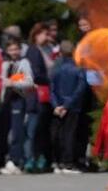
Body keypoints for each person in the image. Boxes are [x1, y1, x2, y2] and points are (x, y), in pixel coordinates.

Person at [0, 37, 33, 175]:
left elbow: (29, 82)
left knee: (16, 131)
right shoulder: (5, 63)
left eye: (16, 49)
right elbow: (1, 81)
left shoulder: (24, 63)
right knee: (1, 130)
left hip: (17, 99)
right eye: (11, 49)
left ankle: (15, 160)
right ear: (7, 50)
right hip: (4, 101)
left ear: (20, 49)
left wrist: (13, 83)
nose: (14, 52)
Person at [51, 40, 88, 173]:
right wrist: (67, 105)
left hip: (58, 106)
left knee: (58, 134)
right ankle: (68, 162)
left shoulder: (56, 69)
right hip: (73, 106)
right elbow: (80, 88)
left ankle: (58, 161)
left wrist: (56, 105)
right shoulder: (79, 69)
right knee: (70, 134)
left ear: (60, 52)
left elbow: (52, 89)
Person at [24, 23, 54, 173]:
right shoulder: (33, 50)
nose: (47, 37)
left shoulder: (47, 50)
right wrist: (50, 78)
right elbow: (35, 73)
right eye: (44, 34)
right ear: (36, 35)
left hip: (45, 94)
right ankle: (31, 158)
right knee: (34, 129)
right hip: (36, 95)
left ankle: (39, 157)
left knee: (42, 129)